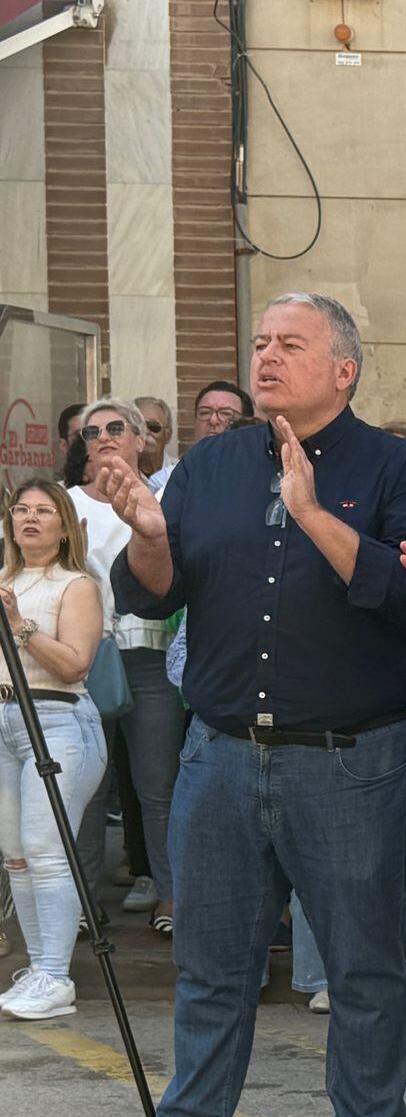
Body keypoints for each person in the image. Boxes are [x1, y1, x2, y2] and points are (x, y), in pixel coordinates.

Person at [104, 291, 406, 1117]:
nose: (265, 357)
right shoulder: (210, 466)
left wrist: (309, 511)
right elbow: (153, 595)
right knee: (212, 965)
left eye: (289, 344)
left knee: (361, 964)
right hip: (218, 755)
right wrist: (146, 538)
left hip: (348, 758)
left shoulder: (398, 471)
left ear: (343, 369)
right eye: (259, 342)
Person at [68, 399, 180, 939]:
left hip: (151, 656)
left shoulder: (167, 498)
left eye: (117, 428)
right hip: (81, 659)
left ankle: (172, 897)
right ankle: (82, 904)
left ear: (141, 440)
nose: (105, 437)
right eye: (93, 431)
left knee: (158, 786)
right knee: (87, 787)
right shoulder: (63, 505)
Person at [0, 483, 107, 1022]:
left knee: (46, 851)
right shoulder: (3, 579)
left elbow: (74, 665)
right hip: (2, 719)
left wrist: (18, 623)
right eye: (22, 510)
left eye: (44, 512)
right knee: (16, 853)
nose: (30, 520)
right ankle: (38, 970)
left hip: (57, 716)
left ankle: (55, 976)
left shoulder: (77, 585)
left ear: (64, 527)